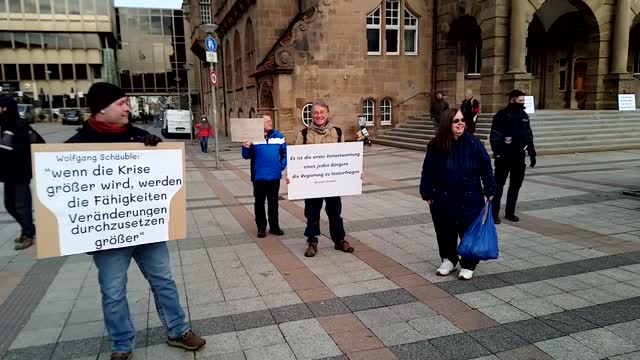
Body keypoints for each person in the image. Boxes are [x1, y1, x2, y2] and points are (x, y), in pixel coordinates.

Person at [65, 82, 205, 360]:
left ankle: (178, 330)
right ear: (101, 108)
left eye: (127, 102)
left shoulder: (140, 138)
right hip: (109, 235)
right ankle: (121, 343)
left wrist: (157, 149)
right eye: (121, 103)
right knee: (113, 291)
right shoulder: (76, 147)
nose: (128, 108)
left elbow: (163, 179)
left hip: (147, 230)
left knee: (164, 280)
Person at [420, 108, 495, 280]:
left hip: (469, 196)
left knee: (468, 231)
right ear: (447, 124)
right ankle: (449, 259)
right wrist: (426, 191)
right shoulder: (436, 145)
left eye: (462, 120)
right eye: (456, 121)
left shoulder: (474, 144)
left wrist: (490, 189)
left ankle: (468, 264)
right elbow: (427, 171)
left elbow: (486, 168)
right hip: (443, 197)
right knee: (445, 231)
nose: (461, 123)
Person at [294, 100, 354, 257]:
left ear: (327, 113)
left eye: (322, 112)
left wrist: (354, 173)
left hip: (333, 182)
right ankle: (312, 242)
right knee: (312, 213)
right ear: (311, 115)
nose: (319, 115)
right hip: (312, 182)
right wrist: (293, 177)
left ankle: (339, 240)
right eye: (315, 113)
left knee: (335, 213)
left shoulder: (338, 132)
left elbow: (345, 159)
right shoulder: (304, 134)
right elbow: (297, 161)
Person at [0, 96, 44, 250]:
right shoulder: (4, 126)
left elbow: (39, 144)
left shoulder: (21, 126)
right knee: (9, 205)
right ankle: (29, 227)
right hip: (8, 176)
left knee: (21, 206)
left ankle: (27, 234)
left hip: (20, 175)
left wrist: (27, 164)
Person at [490, 89, 536, 224]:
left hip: (519, 157)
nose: (522, 103)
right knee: (498, 186)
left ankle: (510, 212)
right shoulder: (501, 115)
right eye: (520, 100)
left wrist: (532, 153)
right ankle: (494, 214)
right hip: (504, 157)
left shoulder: (524, 115)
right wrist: (497, 154)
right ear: (512, 100)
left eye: (523, 101)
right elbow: (495, 136)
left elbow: (529, 135)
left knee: (515, 186)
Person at [242, 114, 287, 238]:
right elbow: (246, 156)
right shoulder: (253, 138)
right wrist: (246, 147)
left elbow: (285, 153)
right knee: (259, 203)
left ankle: (274, 227)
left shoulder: (279, 136)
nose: (270, 123)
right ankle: (261, 228)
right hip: (258, 177)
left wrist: (281, 166)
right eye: (267, 121)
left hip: (274, 177)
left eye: (270, 120)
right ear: (259, 123)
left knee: (273, 203)